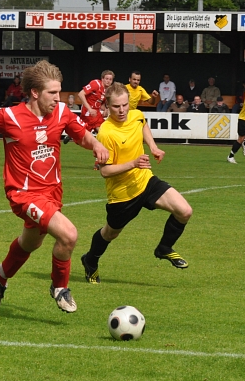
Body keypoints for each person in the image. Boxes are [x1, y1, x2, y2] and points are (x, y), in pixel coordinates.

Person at [0, 60, 110, 313]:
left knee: (30, 244)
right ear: (35, 92)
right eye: (52, 92)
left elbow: (81, 135)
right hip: (23, 194)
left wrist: (95, 145)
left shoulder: (62, 112)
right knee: (69, 235)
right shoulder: (9, 117)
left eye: (58, 91)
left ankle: (1, 275)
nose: (58, 97)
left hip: (52, 192)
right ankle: (60, 288)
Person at [80, 82, 193, 284]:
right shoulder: (106, 133)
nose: (122, 110)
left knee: (184, 211)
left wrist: (153, 147)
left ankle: (164, 248)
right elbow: (105, 171)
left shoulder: (136, 114)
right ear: (107, 105)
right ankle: (90, 260)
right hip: (122, 194)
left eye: (125, 105)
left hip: (145, 180)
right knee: (110, 233)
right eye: (116, 106)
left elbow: (143, 125)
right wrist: (133, 163)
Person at [65, 69, 115, 145]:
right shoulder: (96, 84)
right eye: (107, 79)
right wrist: (90, 109)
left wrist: (106, 109)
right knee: (96, 130)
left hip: (96, 113)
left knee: (102, 129)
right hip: (87, 111)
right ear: (102, 79)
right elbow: (81, 94)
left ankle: (105, 147)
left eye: (110, 79)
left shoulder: (108, 90)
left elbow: (102, 104)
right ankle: (103, 146)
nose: (108, 81)